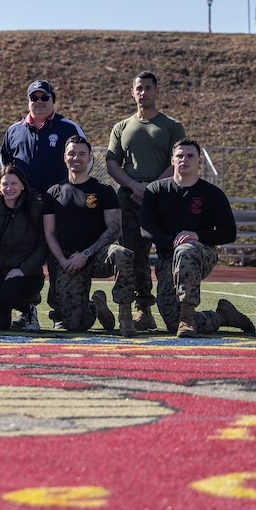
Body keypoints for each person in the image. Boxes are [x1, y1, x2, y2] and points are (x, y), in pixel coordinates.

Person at [139, 139, 254, 338]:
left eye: (190, 156)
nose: (185, 159)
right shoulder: (156, 190)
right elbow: (146, 229)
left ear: (200, 161)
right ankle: (223, 316)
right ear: (172, 160)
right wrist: (173, 241)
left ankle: (188, 318)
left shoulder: (212, 194)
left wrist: (198, 236)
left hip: (201, 255)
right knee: (171, 323)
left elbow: (229, 232)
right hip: (168, 258)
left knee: (186, 250)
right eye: (180, 156)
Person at [0, 79, 85, 327]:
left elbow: (83, 162)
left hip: (60, 208)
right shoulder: (14, 130)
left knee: (59, 260)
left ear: (52, 100)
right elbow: (8, 167)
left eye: (44, 97)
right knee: (25, 260)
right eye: (33, 98)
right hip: (25, 209)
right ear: (28, 101)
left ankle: (60, 313)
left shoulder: (69, 128)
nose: (38, 102)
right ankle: (26, 311)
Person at [106, 71, 187, 332]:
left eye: (148, 88)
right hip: (129, 198)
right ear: (132, 92)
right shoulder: (121, 127)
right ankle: (142, 310)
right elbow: (112, 163)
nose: (144, 93)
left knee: (168, 253)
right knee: (133, 255)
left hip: (164, 198)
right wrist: (134, 186)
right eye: (139, 88)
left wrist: (151, 188)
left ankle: (178, 307)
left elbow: (176, 161)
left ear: (156, 91)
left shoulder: (172, 126)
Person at [42, 136, 136, 337]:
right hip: (69, 259)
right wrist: (62, 260)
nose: (76, 158)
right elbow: (49, 234)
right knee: (74, 325)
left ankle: (125, 318)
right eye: (72, 153)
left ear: (90, 158)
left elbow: (114, 229)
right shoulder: (53, 192)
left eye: (82, 154)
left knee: (123, 254)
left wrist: (86, 253)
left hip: (97, 255)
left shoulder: (104, 190)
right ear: (64, 157)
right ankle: (96, 307)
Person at [0, 165, 47, 331]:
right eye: (5, 184)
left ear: (22, 185)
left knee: (7, 293)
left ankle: (28, 310)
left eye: (14, 183)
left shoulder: (37, 209)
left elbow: (43, 247)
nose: (9, 188)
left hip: (27, 275)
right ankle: (8, 300)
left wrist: (22, 270)